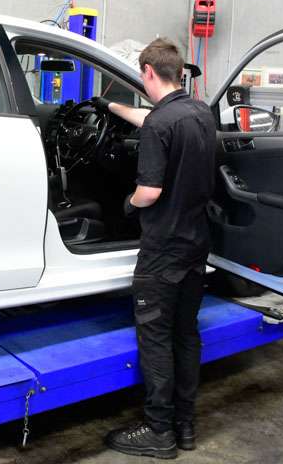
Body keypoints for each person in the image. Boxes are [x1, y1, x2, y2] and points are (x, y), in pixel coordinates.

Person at [96, 38, 217, 459]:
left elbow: (148, 191)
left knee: (156, 338)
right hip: (195, 245)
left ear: (148, 72)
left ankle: (158, 431)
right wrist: (110, 108)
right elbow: (150, 118)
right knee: (186, 335)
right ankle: (184, 426)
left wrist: (127, 204)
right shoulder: (199, 113)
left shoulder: (162, 125)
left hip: (161, 250)